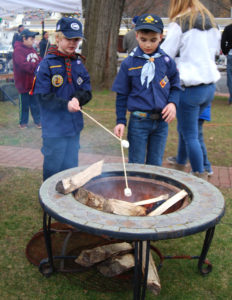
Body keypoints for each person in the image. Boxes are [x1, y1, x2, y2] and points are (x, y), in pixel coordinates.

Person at [161, 0, 220, 179]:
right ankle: (181, 161)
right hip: (209, 87)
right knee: (190, 130)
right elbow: (215, 50)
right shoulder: (209, 21)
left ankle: (199, 174)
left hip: (190, 88)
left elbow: (165, 53)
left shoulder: (179, 22)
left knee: (190, 134)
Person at [113, 13, 181, 166]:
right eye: (143, 40)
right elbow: (122, 95)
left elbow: (176, 86)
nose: (148, 45)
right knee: (136, 164)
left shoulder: (167, 61)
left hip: (161, 123)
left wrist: (173, 103)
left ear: (161, 37)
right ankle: (136, 189)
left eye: (153, 40)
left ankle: (151, 191)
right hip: (139, 122)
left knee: (155, 164)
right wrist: (120, 121)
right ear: (136, 36)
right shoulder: (128, 63)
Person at [33, 17, 92, 181]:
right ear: (57, 38)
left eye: (76, 39)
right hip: (54, 129)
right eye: (68, 38)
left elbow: (87, 89)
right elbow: (42, 97)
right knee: (54, 166)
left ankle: (68, 200)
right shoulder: (46, 65)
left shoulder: (78, 64)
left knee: (71, 165)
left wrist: (78, 99)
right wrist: (65, 105)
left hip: (74, 127)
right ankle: (50, 203)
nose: (73, 43)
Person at [167, 105, 213, 176]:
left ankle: (205, 166)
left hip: (195, 111)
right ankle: (181, 160)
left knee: (195, 138)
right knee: (186, 135)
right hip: (193, 110)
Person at [13, 29, 41, 129]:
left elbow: (39, 61)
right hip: (23, 84)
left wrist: (42, 63)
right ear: (24, 38)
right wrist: (36, 66)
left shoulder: (32, 49)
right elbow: (24, 66)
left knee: (35, 104)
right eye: (31, 38)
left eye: (34, 38)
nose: (33, 40)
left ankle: (38, 121)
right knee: (24, 105)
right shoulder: (18, 50)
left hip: (33, 84)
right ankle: (23, 123)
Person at [221, 23, 232, 105]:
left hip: (231, 54)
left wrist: (225, 51)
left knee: (230, 77)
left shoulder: (228, 28)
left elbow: (223, 41)